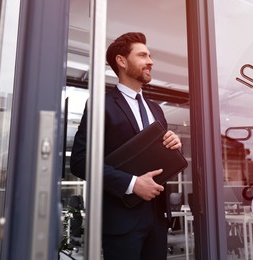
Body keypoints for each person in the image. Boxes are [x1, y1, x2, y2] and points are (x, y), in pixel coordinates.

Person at [70, 32, 182, 260]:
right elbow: (80, 162)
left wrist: (173, 145)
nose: (150, 61)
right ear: (121, 61)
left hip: (157, 217)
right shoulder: (101, 105)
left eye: (149, 55)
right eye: (142, 55)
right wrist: (132, 184)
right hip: (121, 220)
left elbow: (157, 157)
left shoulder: (156, 109)